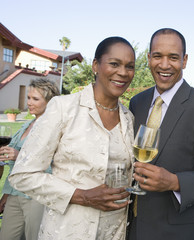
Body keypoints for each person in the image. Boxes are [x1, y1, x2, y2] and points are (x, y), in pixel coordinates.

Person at [9, 36, 136, 240]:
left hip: (114, 233)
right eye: (114, 63)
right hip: (66, 232)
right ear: (95, 65)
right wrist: (82, 196)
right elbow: (22, 175)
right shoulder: (63, 108)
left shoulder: (129, 119)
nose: (123, 72)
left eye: (130, 66)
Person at [127, 28, 194, 240]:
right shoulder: (137, 102)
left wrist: (174, 182)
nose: (164, 65)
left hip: (177, 232)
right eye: (157, 56)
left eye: (173, 57)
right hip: (133, 226)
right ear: (148, 58)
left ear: (184, 60)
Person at [0, 79, 59, 240]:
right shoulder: (27, 125)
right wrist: (6, 194)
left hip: (36, 197)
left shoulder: (54, 129)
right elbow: (13, 167)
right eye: (28, 98)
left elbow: (55, 166)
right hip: (15, 193)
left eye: (35, 99)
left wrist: (19, 156)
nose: (29, 103)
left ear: (50, 101)